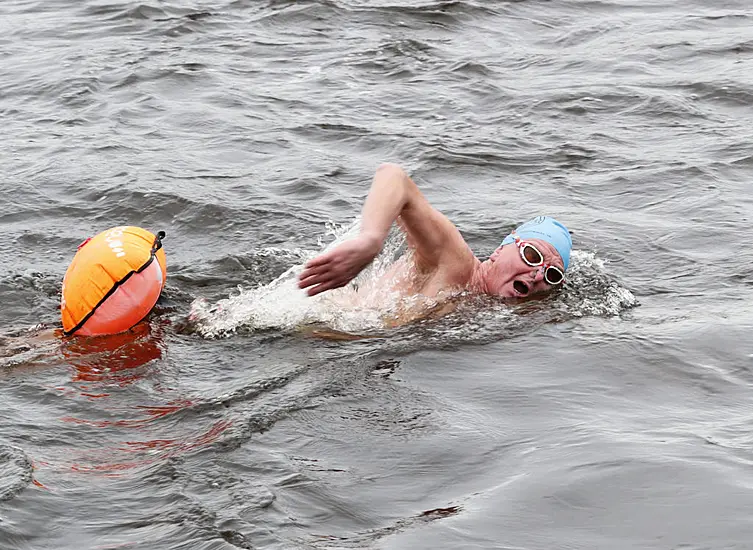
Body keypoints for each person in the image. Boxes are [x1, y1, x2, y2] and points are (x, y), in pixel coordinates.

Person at [298, 163, 572, 302]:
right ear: (501, 249)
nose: (537, 275)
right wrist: (371, 240)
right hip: (306, 328)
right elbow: (394, 177)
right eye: (531, 255)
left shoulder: (482, 304)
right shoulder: (457, 263)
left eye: (552, 274)